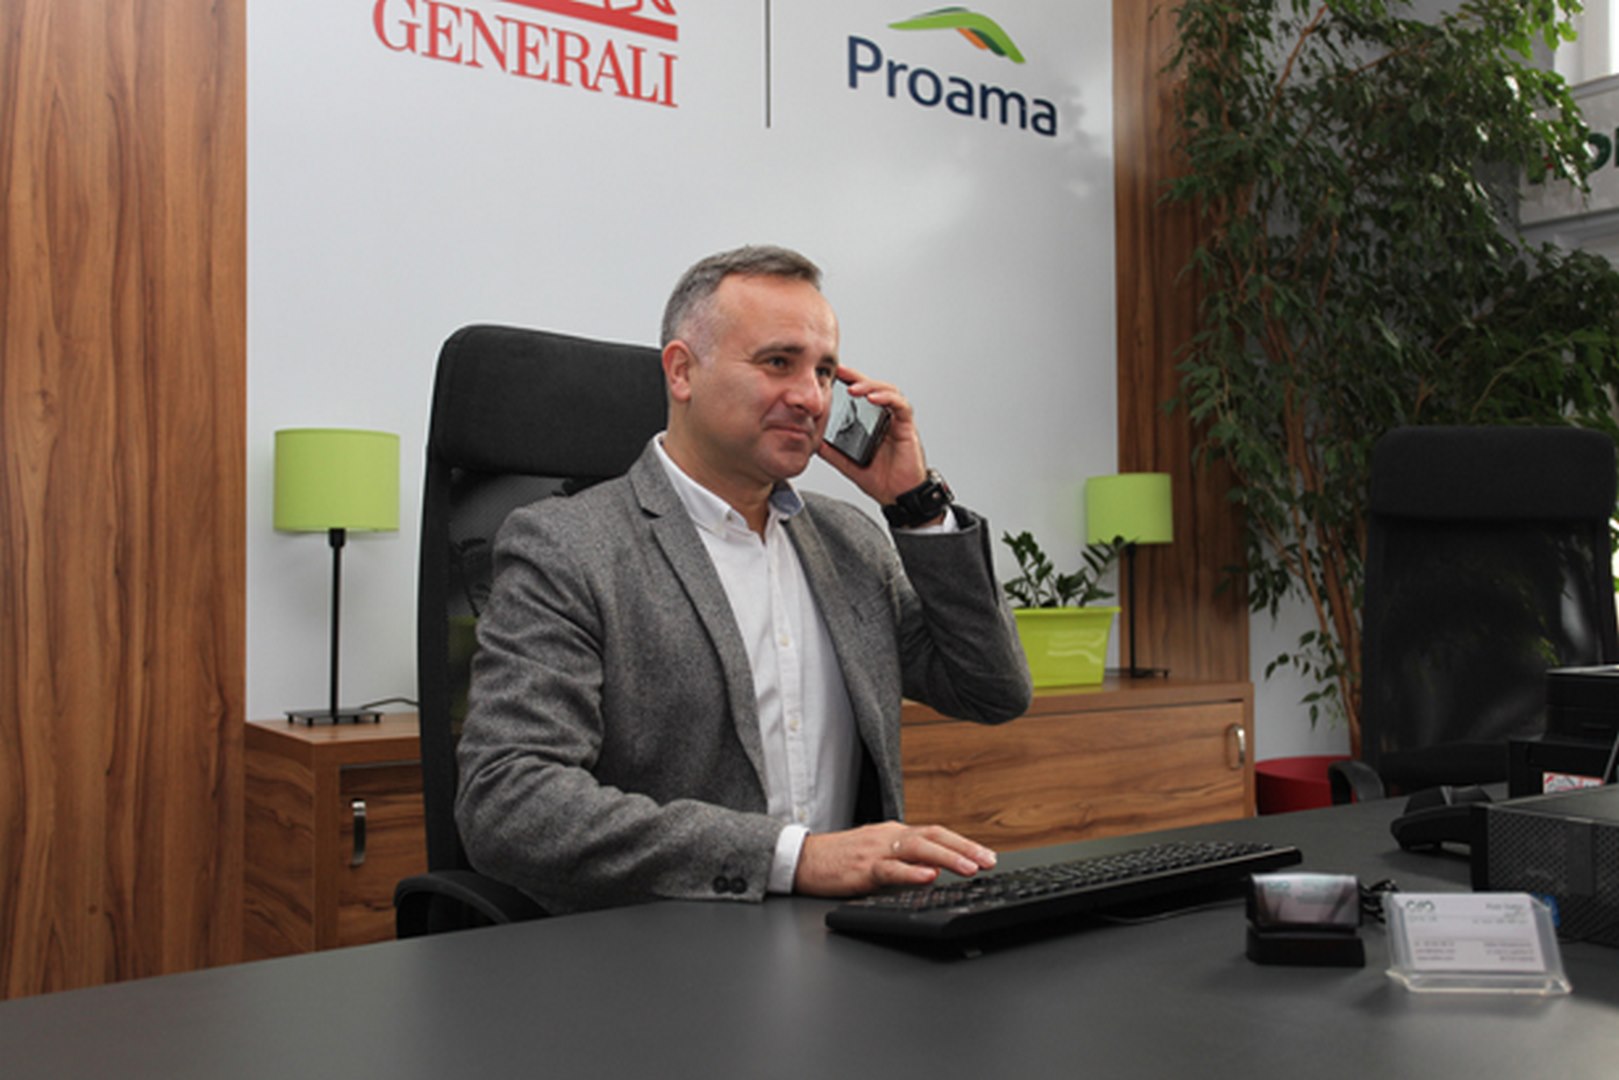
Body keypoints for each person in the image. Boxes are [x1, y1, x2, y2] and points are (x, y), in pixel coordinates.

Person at [455, 245, 1032, 913]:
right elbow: (510, 802)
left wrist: (917, 506)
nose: (811, 398)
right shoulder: (567, 547)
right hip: (662, 944)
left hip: (852, 936)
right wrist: (793, 858)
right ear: (682, 371)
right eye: (777, 363)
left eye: (823, 371)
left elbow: (992, 690)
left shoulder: (850, 541)